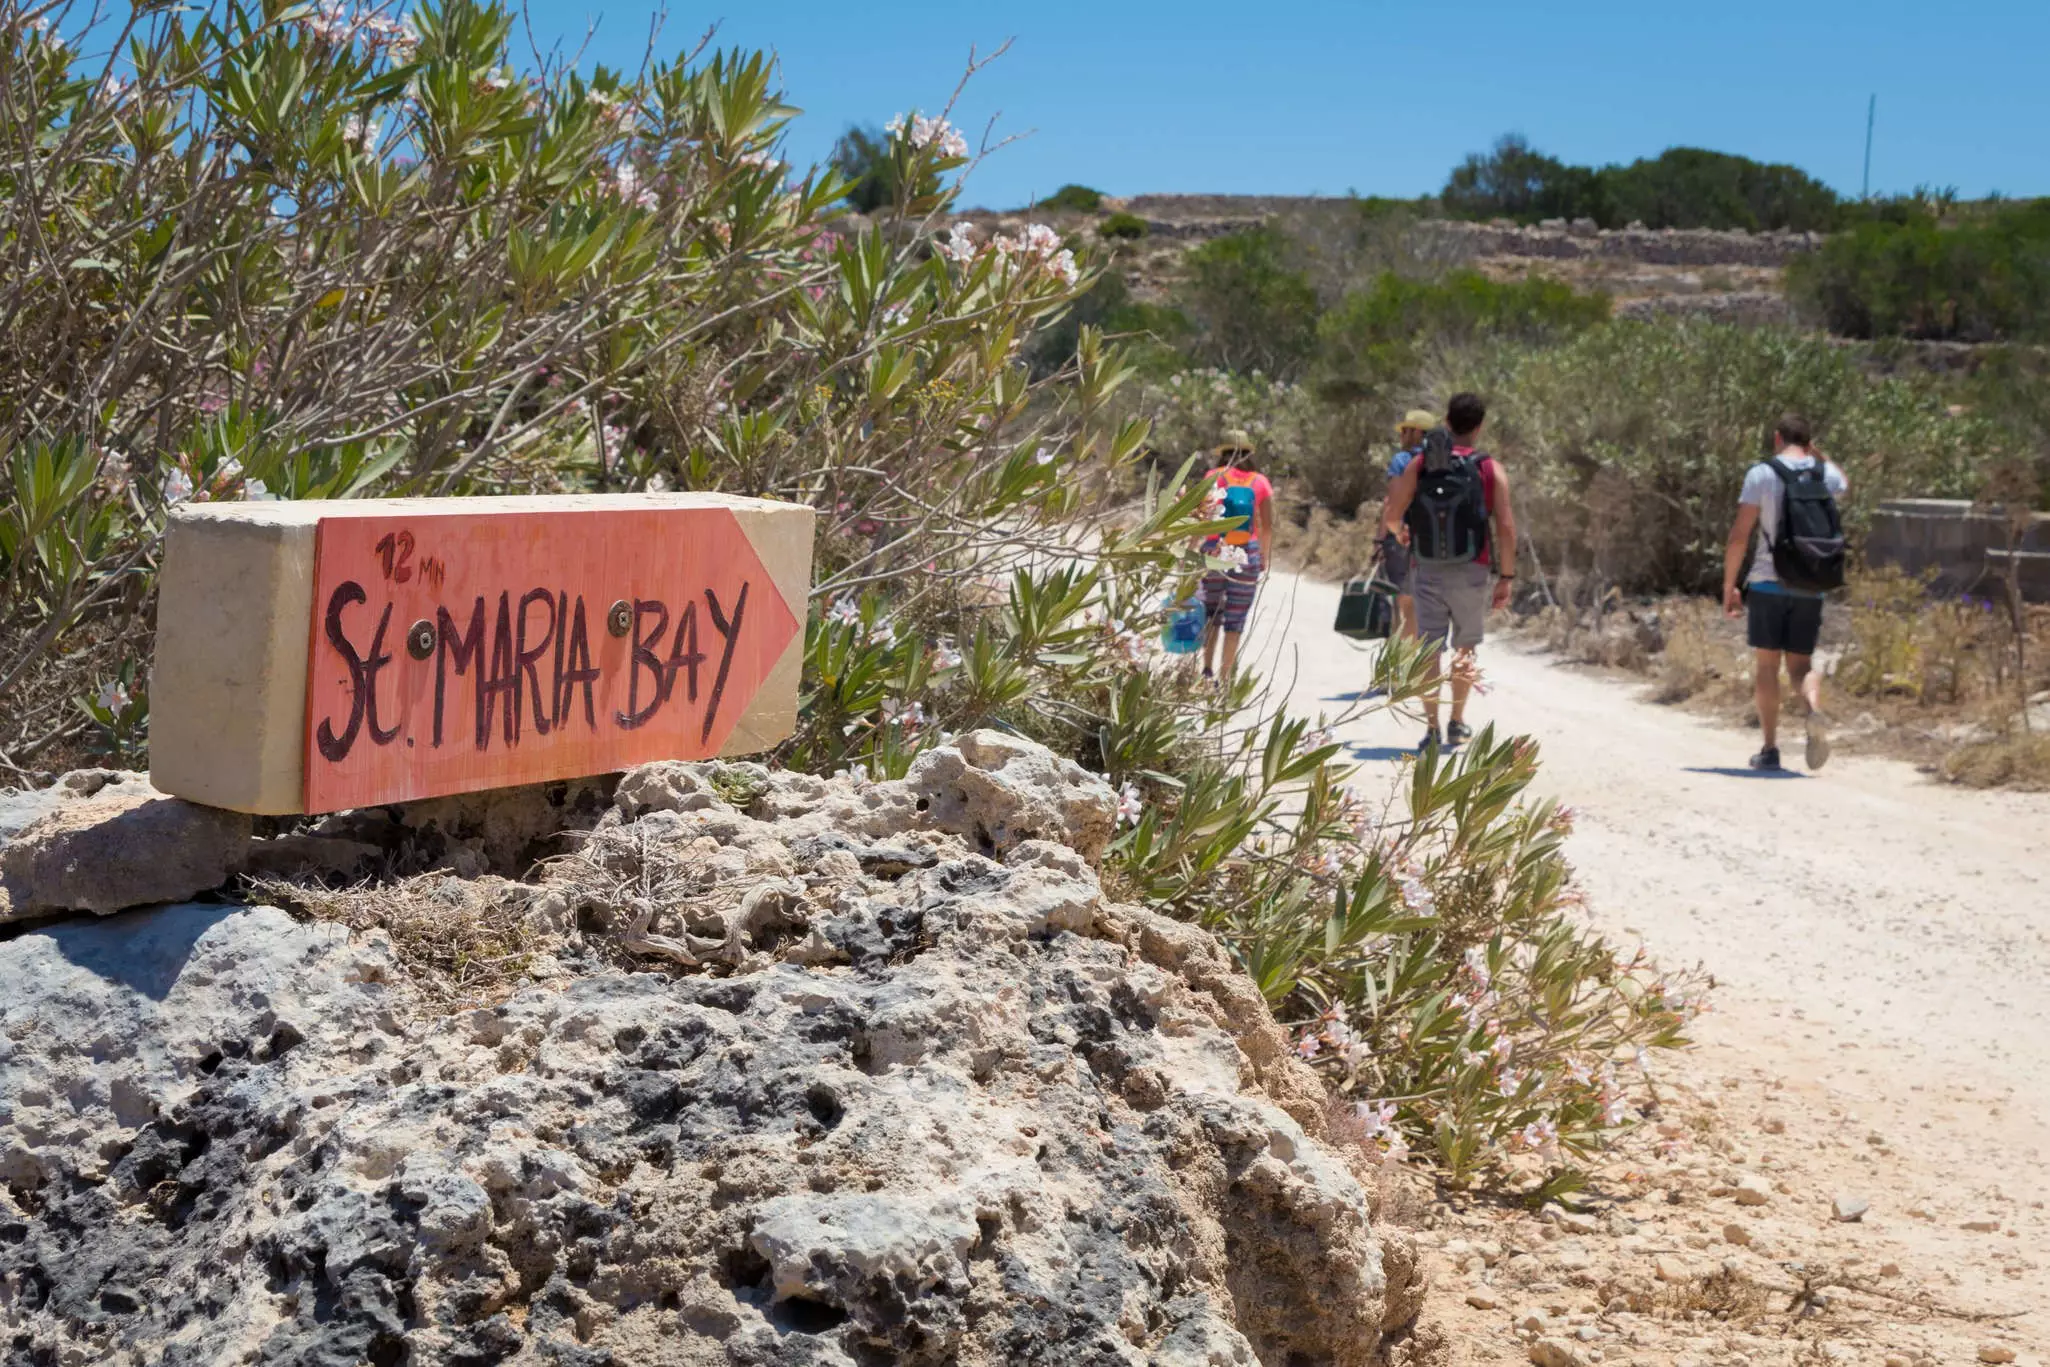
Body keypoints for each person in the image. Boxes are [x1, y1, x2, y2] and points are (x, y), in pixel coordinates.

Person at [1380, 393, 1517, 752]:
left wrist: (1401, 533)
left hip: (1425, 568)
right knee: (1464, 648)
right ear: (1480, 426)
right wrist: (1507, 577)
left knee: (1429, 649)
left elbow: (1392, 514)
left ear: (1446, 421)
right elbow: (1505, 525)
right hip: (1472, 568)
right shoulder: (1489, 468)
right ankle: (1457, 722)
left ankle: (1431, 728)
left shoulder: (1421, 463)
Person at [1721, 413, 1847, 771]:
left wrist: (1730, 586)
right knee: (1800, 665)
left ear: (1776, 439)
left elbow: (1739, 535)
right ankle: (1813, 708)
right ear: (1809, 442)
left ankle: (1770, 748)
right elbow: (1844, 481)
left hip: (1767, 582)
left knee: (1766, 665)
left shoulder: (1762, 474)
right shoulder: (1825, 474)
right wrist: (1820, 456)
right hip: (1811, 583)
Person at [1197, 429, 1274, 685]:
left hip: (1213, 551)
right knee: (1236, 618)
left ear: (1224, 452)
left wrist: (1190, 551)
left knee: (1211, 613)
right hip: (1246, 555)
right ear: (1249, 453)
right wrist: (1264, 558)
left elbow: (1201, 518)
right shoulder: (1260, 482)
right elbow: (1267, 526)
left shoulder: (1213, 477)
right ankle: (1226, 677)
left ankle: (1206, 670)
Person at [1376, 408, 1438, 639]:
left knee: (1404, 602)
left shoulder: (1402, 460)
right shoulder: (1444, 462)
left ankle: (1407, 662)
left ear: (1416, 432)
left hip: (1404, 538)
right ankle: (1424, 658)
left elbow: (1392, 504)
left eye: (1405, 431)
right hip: (1436, 543)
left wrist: (1381, 539)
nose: (1401, 436)